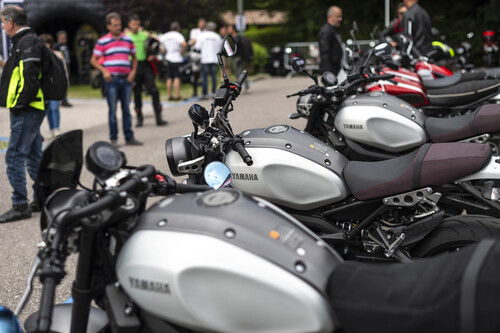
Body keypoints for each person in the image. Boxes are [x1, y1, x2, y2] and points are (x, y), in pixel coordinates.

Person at [0, 6, 46, 222]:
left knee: (14, 156)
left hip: (27, 108)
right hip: (27, 107)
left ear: (11, 22)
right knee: (34, 154)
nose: (2, 25)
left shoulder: (27, 42)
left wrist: (20, 103)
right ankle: (43, 197)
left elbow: (30, 77)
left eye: (2, 21)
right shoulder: (24, 41)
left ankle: (20, 205)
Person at [91, 12, 142, 146]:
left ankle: (129, 137)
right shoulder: (102, 41)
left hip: (126, 80)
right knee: (112, 111)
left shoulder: (128, 40)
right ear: (108, 26)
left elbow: (134, 58)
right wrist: (104, 71)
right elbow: (93, 60)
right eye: (115, 25)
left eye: (119, 25)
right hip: (111, 80)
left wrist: (133, 72)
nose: (118, 27)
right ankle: (113, 139)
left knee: (126, 109)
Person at [127, 14, 166, 127]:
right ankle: (139, 119)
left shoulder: (144, 34)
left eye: (137, 24)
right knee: (137, 92)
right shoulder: (126, 37)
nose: (136, 26)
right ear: (129, 25)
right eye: (133, 24)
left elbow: (157, 43)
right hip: (133, 66)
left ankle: (158, 118)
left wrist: (153, 54)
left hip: (145, 65)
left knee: (154, 91)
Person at [39, 33, 69, 138]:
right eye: (44, 43)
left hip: (56, 85)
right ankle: (52, 128)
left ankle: (56, 128)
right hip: (45, 87)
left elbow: (64, 71)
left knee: (54, 107)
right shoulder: (39, 56)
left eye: (47, 43)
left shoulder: (58, 54)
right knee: (48, 109)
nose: (46, 45)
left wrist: (66, 84)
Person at [159, 21, 186, 101]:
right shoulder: (178, 35)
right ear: (177, 28)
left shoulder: (165, 35)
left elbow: (160, 45)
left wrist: (163, 51)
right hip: (176, 58)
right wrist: (182, 51)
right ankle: (177, 95)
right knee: (177, 77)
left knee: (169, 77)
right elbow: (184, 44)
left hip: (167, 58)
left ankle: (169, 95)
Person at [197, 21, 222, 98]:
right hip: (214, 59)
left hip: (205, 59)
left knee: (204, 77)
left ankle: (205, 93)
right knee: (213, 76)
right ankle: (213, 92)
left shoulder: (202, 36)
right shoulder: (217, 36)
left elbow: (197, 47)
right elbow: (220, 48)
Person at [227, 24, 253, 91]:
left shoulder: (236, 38)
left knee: (239, 73)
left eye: (229, 28)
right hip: (238, 58)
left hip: (238, 58)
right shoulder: (236, 37)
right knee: (241, 73)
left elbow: (236, 49)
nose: (228, 30)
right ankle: (246, 86)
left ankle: (240, 87)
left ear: (233, 29)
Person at [319, 5, 343, 75]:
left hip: (336, 69)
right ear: (330, 17)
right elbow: (324, 53)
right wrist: (328, 72)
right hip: (330, 70)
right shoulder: (326, 31)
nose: (340, 19)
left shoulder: (334, 30)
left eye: (340, 16)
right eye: (338, 16)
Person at [54, 30, 72, 107]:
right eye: (62, 38)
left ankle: (64, 98)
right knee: (62, 82)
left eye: (64, 38)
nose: (63, 40)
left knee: (66, 82)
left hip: (66, 65)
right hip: (60, 66)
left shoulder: (66, 46)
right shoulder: (56, 46)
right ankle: (62, 99)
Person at [188, 18, 206, 97]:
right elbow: (192, 41)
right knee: (195, 74)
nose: (202, 24)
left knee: (203, 73)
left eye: (203, 23)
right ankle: (195, 91)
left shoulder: (206, 32)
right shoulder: (194, 31)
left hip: (204, 54)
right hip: (195, 53)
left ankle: (204, 91)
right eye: (200, 23)